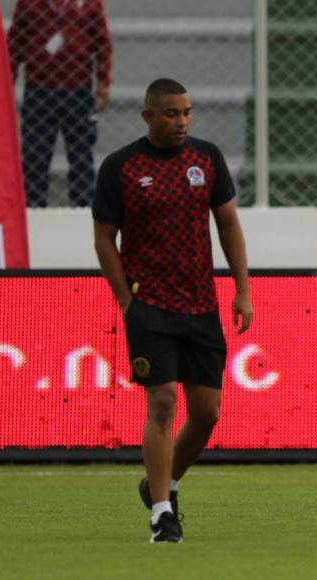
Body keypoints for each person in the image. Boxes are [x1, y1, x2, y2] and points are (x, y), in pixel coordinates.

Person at [92, 78, 252, 543]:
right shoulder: (121, 167)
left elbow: (227, 224)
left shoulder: (206, 158)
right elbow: (105, 237)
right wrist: (125, 298)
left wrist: (242, 290)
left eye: (186, 113)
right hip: (151, 306)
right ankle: (162, 513)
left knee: (207, 413)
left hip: (201, 305)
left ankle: (165, 482)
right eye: (171, 114)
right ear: (147, 116)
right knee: (162, 402)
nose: (182, 122)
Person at [8, 0, 112, 208]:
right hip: (39, 91)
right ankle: (32, 209)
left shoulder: (90, 4)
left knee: (81, 155)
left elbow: (102, 43)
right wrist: (7, 80)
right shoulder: (28, 4)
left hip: (78, 92)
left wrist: (103, 82)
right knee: (34, 156)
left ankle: (82, 208)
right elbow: (14, 44)